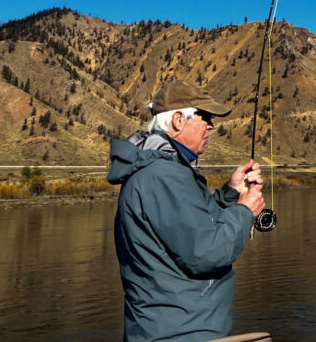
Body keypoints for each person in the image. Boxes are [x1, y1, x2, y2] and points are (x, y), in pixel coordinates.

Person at [107, 80, 266, 342]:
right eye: (205, 117)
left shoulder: (162, 172)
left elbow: (191, 224)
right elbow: (208, 251)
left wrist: (231, 193)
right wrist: (244, 211)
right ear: (179, 121)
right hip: (181, 333)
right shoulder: (164, 176)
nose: (211, 126)